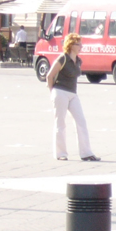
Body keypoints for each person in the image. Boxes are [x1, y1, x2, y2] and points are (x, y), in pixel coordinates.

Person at [45, 33, 99, 161]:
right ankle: (60, 154)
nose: (81, 46)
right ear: (70, 45)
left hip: (73, 93)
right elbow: (49, 76)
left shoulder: (78, 61)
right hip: (60, 91)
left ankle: (86, 153)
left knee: (81, 121)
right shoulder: (63, 58)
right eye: (78, 44)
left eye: (81, 43)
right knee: (60, 122)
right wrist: (52, 92)